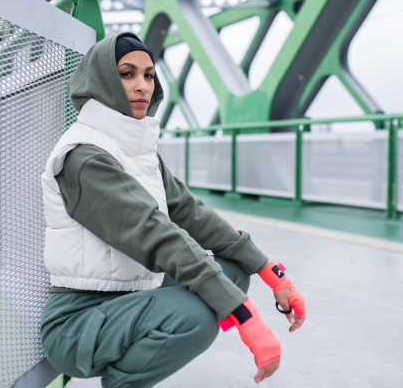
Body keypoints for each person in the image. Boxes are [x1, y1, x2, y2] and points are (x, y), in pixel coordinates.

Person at [40, 32, 306, 388]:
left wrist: (269, 270)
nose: (142, 86)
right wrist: (244, 315)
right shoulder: (85, 157)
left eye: (149, 75)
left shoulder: (137, 151)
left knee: (231, 271)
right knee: (197, 316)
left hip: (128, 293)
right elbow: (153, 232)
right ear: (103, 79)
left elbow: (189, 212)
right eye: (127, 73)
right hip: (79, 321)